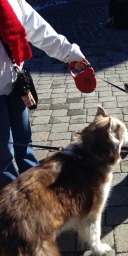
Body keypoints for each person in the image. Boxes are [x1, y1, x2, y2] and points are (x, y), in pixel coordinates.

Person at [0, 0, 90, 189]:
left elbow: (41, 30)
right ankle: (11, 201)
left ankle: (34, 186)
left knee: (24, 140)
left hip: (15, 85)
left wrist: (71, 55)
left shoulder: (14, 2)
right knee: (3, 151)